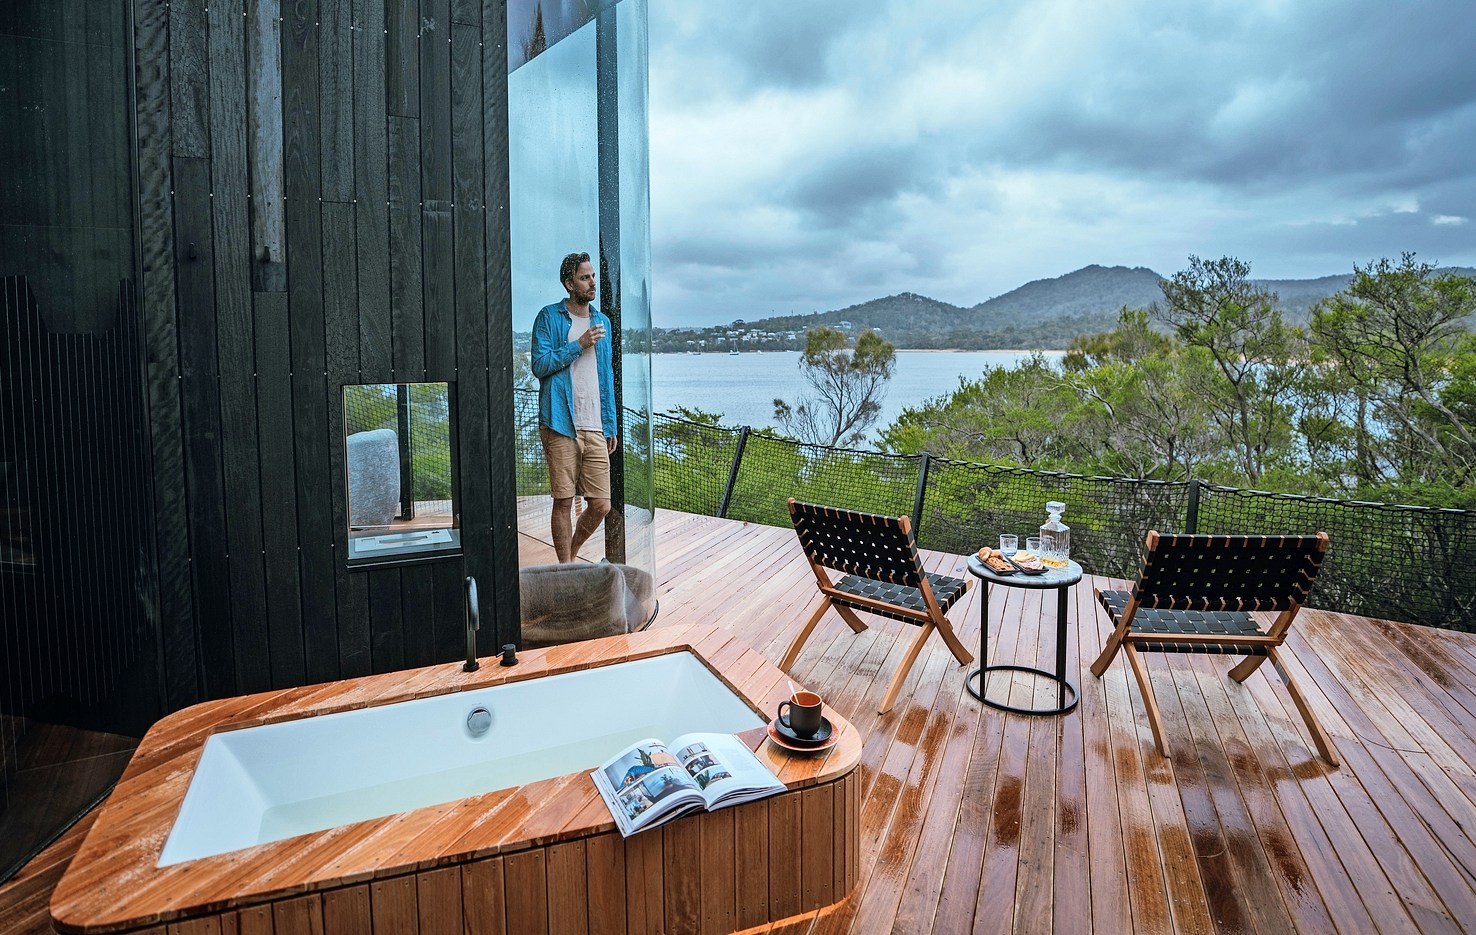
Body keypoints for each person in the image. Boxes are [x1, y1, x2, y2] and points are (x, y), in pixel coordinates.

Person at [531, 252, 618, 562]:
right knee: (564, 501)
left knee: (601, 505)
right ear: (569, 284)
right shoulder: (548, 317)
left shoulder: (602, 321)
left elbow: (605, 376)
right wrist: (577, 345)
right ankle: (566, 568)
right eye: (584, 277)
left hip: (595, 424)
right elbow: (540, 365)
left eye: (592, 276)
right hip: (560, 421)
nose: (592, 282)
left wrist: (610, 424)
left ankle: (572, 553)